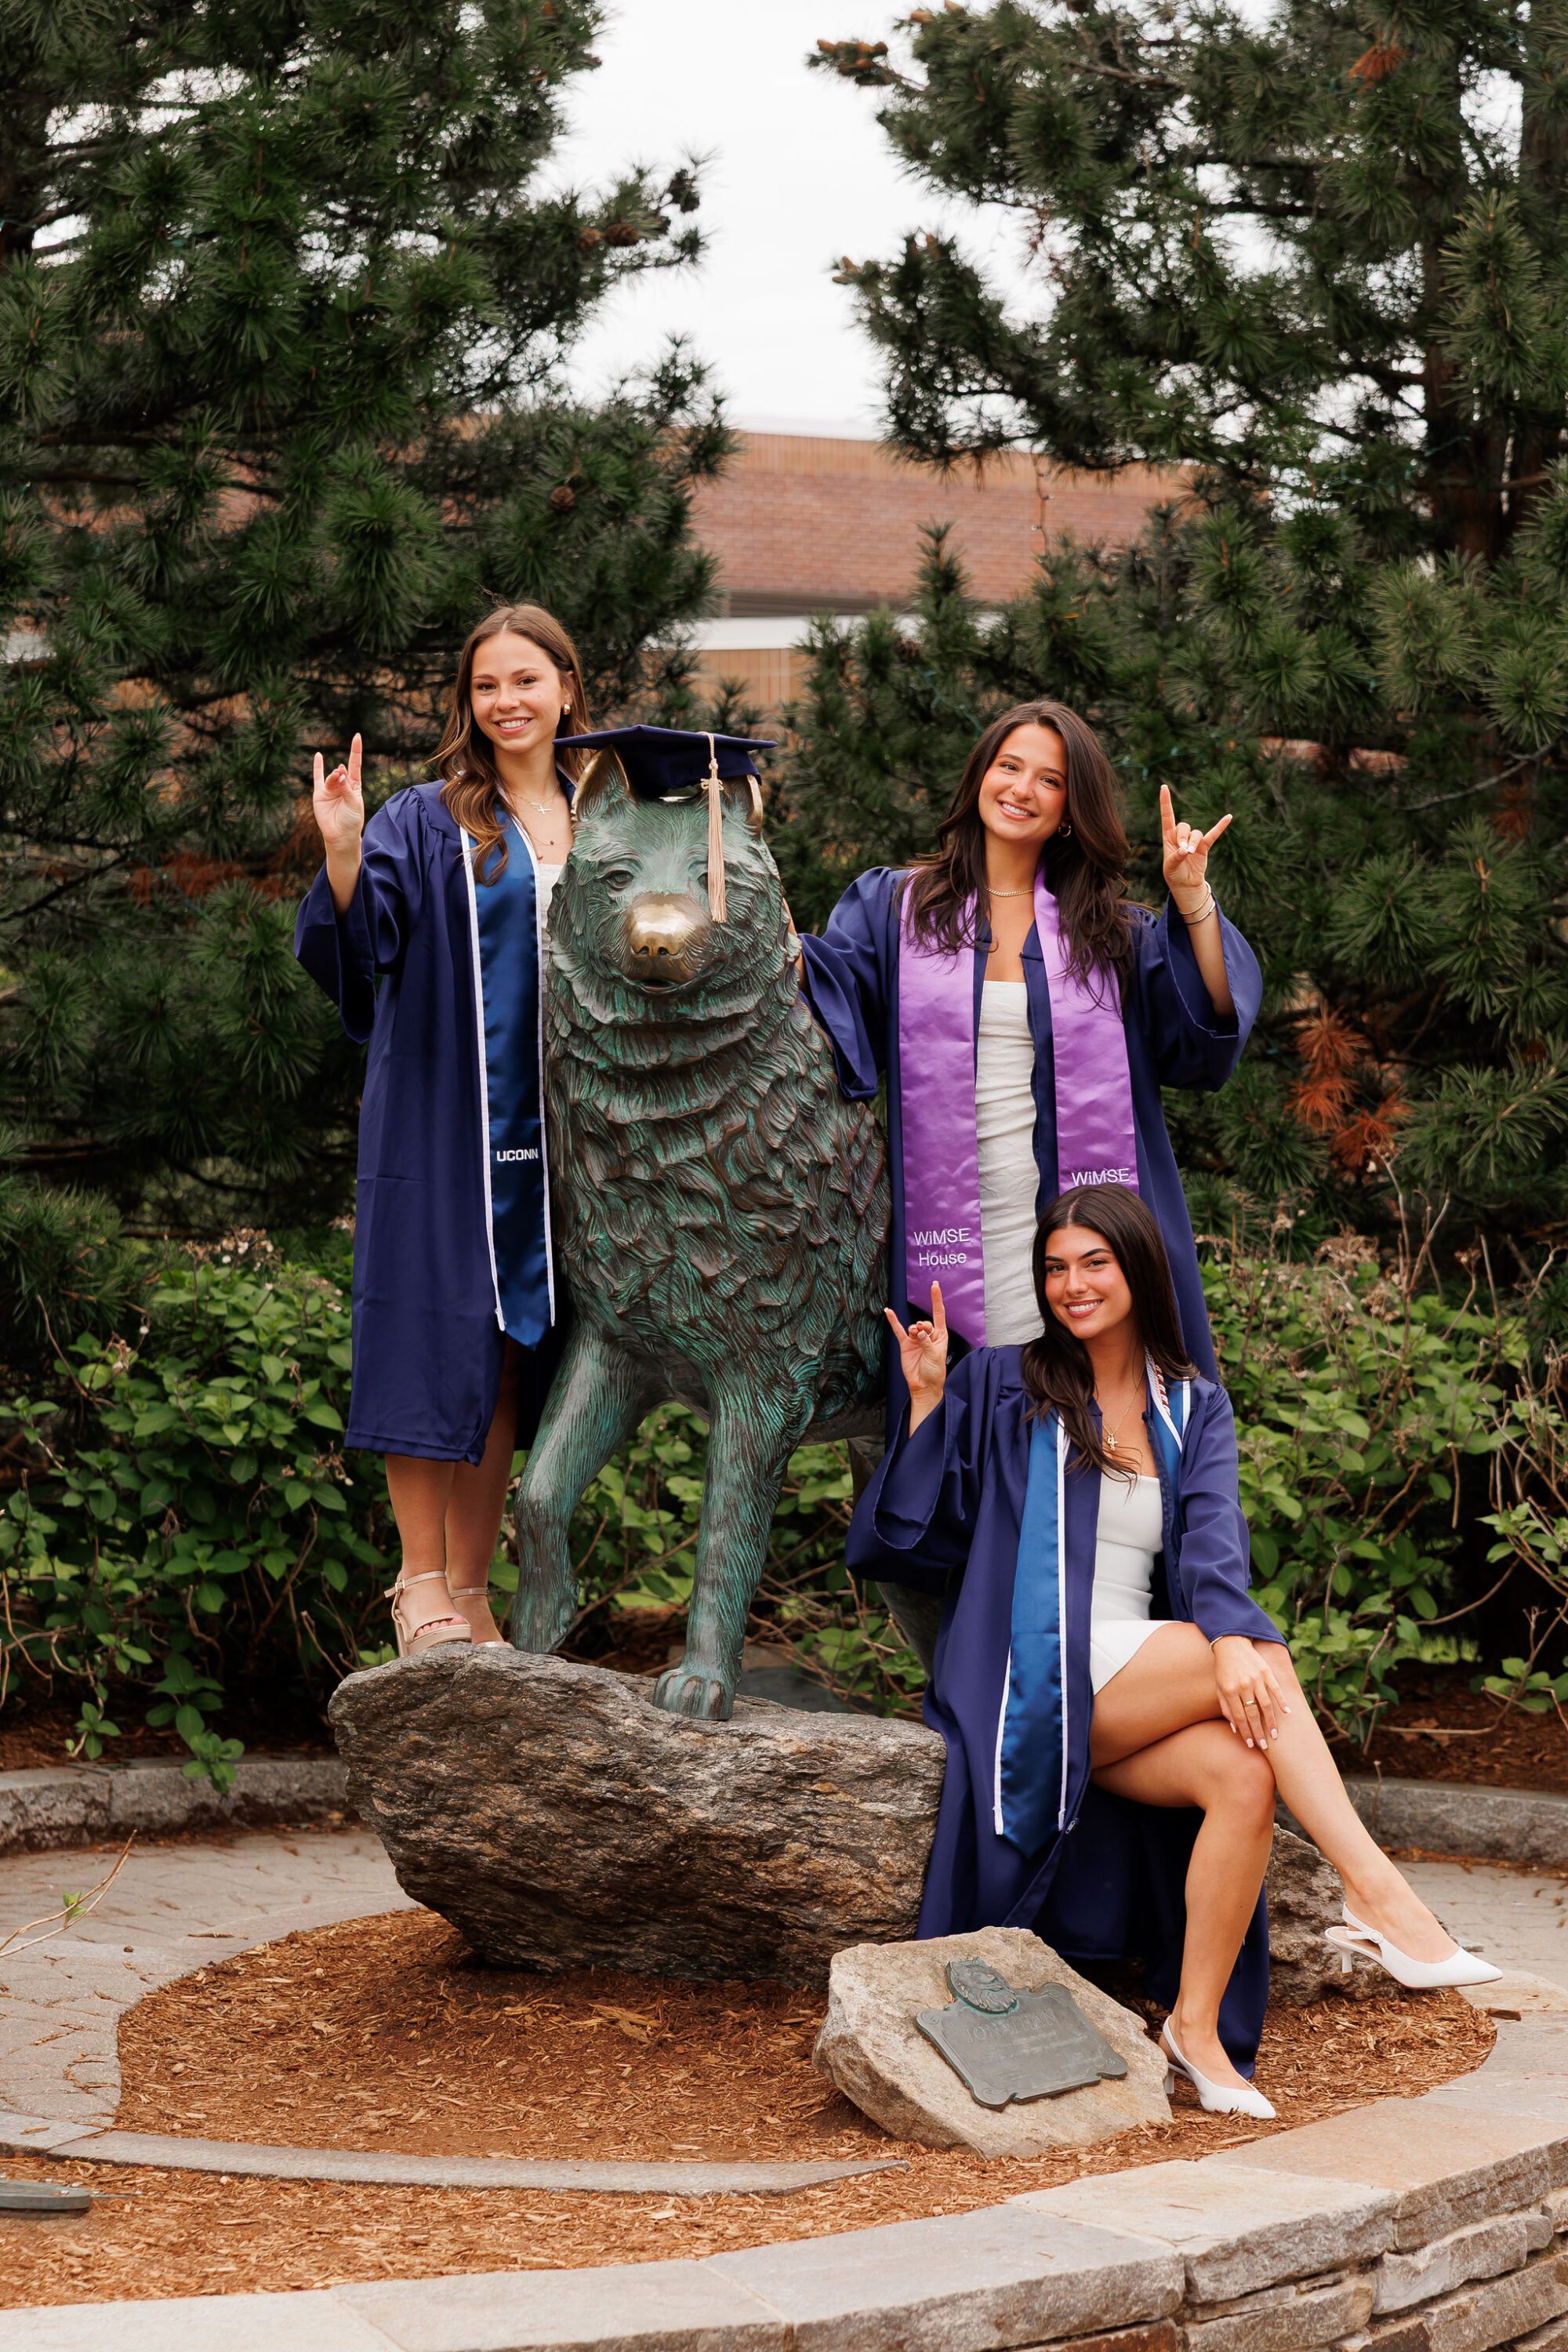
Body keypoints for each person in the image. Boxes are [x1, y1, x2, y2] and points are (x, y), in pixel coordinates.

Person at [848, 1184, 1499, 2117]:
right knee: (1255, 1663)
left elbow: (1212, 1549)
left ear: (1137, 1267)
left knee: (1242, 1773)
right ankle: (1381, 1897)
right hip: (1023, 1671)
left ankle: (1192, 2028)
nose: (1071, 1285)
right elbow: (917, 1539)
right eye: (1054, 1268)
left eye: (1093, 1263)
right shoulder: (1002, 1381)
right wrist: (922, 1402)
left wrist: (1226, 1638)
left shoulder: (1192, 1406)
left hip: (1134, 1669)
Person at [797, 702, 1258, 1397]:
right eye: (1009, 766)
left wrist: (1192, 898)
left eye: (1050, 780)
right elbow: (831, 995)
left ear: (1071, 810)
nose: (1021, 788)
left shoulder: (1109, 933)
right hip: (949, 1222)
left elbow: (1210, 1021)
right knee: (972, 1425)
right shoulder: (898, 910)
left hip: (1075, 1220)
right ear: (980, 774)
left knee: (1095, 1422)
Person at [294, 602, 586, 1657]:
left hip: (571, 1139)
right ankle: (418, 1583)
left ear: (565, 685)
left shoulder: (608, 813)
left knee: (513, 1353)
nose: (505, 702)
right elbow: (363, 942)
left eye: (524, 680)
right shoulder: (428, 819)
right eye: (485, 686)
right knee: (432, 1334)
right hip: (446, 1121)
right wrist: (341, 850)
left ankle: (471, 1589)